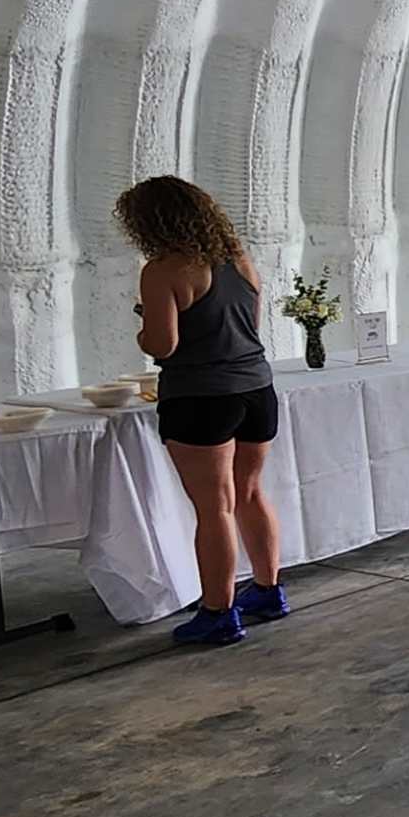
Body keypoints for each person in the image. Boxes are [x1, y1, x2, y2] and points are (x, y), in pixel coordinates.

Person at [115, 175, 286, 646]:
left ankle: (218, 611)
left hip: (200, 394)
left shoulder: (163, 269)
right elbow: (249, 328)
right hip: (256, 386)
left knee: (214, 509)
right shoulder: (240, 260)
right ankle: (269, 590)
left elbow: (164, 345)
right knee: (250, 493)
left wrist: (142, 328)